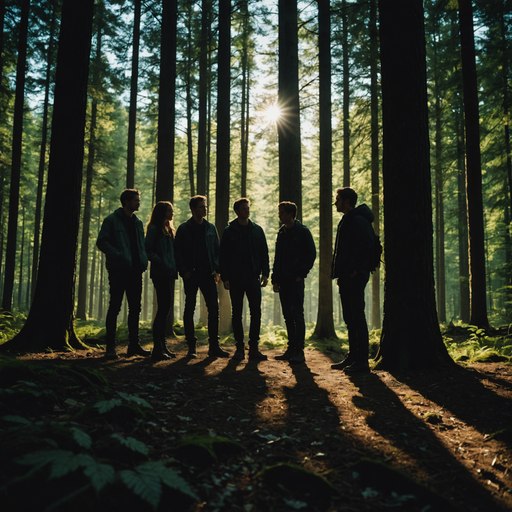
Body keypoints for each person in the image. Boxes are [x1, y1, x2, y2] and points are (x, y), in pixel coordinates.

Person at [97, 189, 149, 359]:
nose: (138, 203)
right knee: (115, 307)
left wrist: (142, 262)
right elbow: (102, 242)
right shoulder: (111, 220)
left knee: (135, 308)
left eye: (138, 200)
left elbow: (141, 245)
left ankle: (134, 345)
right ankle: (110, 347)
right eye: (135, 200)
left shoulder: (138, 222)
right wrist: (119, 255)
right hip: (118, 271)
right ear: (126, 202)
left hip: (135, 272)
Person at [174, 195, 228, 358]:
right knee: (189, 309)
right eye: (201, 207)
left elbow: (218, 251)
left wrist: (216, 269)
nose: (205, 209)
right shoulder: (183, 229)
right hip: (191, 275)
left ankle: (214, 346)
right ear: (193, 209)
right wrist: (183, 270)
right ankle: (191, 346)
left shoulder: (210, 228)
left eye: (205, 206)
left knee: (213, 309)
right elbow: (178, 252)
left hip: (208, 275)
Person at [219, 198, 270, 361]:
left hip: (253, 278)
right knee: (237, 314)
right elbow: (223, 257)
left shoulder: (257, 230)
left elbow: (264, 253)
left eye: (248, 208)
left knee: (256, 312)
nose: (247, 211)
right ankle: (239, 348)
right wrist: (225, 277)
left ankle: (253, 348)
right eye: (244, 209)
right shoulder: (229, 231)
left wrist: (266, 273)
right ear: (237, 211)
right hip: (235, 279)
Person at [331, 187, 375, 373]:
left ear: (347, 201)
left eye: (338, 199)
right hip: (347, 275)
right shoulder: (347, 219)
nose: (336, 203)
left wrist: (354, 270)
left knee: (357, 316)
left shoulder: (357, 219)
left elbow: (364, 245)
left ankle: (362, 361)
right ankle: (353, 356)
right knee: (350, 317)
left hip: (355, 275)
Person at [272, 201, 316, 364]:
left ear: (290, 214)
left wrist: (301, 274)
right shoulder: (281, 233)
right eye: (279, 212)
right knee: (288, 316)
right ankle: (291, 349)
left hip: (295, 281)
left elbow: (311, 254)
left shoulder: (303, 232)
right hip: (283, 281)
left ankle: (299, 350)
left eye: (282, 212)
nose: (280, 215)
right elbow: (277, 258)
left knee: (297, 314)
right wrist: (275, 280)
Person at [145, 201, 177, 361]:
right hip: (160, 273)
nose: (172, 212)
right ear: (162, 212)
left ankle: (162, 346)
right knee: (163, 310)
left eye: (172, 210)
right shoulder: (154, 229)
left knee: (165, 310)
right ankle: (157, 348)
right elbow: (148, 249)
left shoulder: (170, 229)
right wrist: (161, 262)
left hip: (170, 274)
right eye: (169, 210)